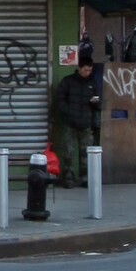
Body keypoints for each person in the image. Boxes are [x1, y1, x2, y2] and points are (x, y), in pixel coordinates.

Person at [54, 53, 100, 186]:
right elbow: (60, 100)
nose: (87, 73)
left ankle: (85, 177)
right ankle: (68, 176)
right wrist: (68, 112)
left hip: (86, 122)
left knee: (86, 153)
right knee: (68, 151)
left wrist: (95, 103)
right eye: (85, 70)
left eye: (90, 70)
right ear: (79, 68)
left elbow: (98, 102)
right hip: (70, 122)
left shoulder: (92, 83)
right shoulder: (68, 82)